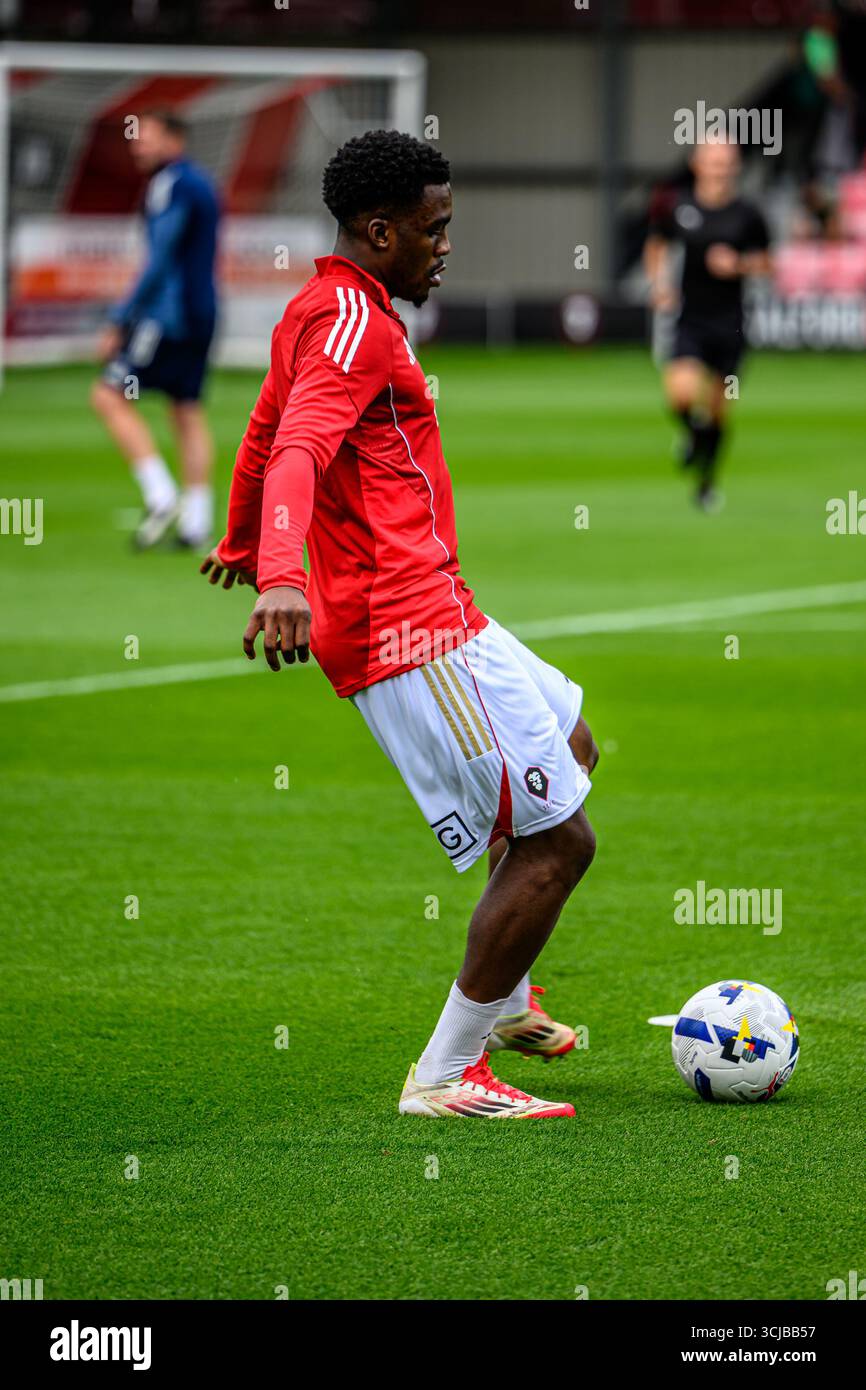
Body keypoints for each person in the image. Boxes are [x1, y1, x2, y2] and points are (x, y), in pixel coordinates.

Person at [201, 130, 598, 1119]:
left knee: (572, 742)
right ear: (379, 231)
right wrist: (280, 576)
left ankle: (503, 1000)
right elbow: (295, 445)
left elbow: (260, 429)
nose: (444, 244)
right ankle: (444, 1071)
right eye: (434, 228)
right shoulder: (351, 322)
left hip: (443, 603)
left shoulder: (331, 308)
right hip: (406, 626)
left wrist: (243, 535)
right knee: (558, 844)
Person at [91, 109, 220, 549]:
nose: (136, 145)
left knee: (108, 394)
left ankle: (160, 493)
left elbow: (160, 259)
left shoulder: (172, 184)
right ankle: (197, 521)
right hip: (201, 312)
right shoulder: (201, 182)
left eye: (145, 137)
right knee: (186, 408)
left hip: (168, 317)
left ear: (174, 139)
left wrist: (119, 319)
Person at [644, 138, 772, 510]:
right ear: (697, 163)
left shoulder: (748, 213)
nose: (721, 168)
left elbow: (769, 263)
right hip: (690, 319)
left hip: (731, 324)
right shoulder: (679, 205)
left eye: (727, 161)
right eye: (713, 161)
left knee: (718, 409)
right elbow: (657, 245)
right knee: (680, 394)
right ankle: (693, 437)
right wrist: (659, 283)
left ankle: (706, 482)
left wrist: (740, 265)